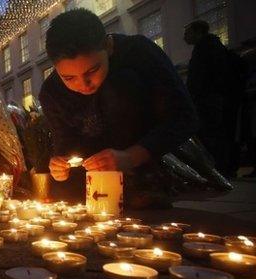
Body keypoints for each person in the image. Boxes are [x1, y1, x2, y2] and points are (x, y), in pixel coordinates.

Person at [39, 9, 198, 207]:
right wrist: (60, 164)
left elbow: (184, 117)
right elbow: (65, 141)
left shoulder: (139, 53)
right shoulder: (51, 91)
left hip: (150, 164)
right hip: (92, 177)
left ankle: (145, 183)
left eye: (93, 70)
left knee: (121, 83)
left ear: (108, 46)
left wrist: (131, 157)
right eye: (69, 78)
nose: (84, 84)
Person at [184, 20, 246, 178]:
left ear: (198, 31)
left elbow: (202, 79)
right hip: (212, 100)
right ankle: (221, 168)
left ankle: (219, 169)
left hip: (210, 101)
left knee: (212, 135)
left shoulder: (207, 48)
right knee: (214, 134)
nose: (184, 36)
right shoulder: (209, 47)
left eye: (188, 32)